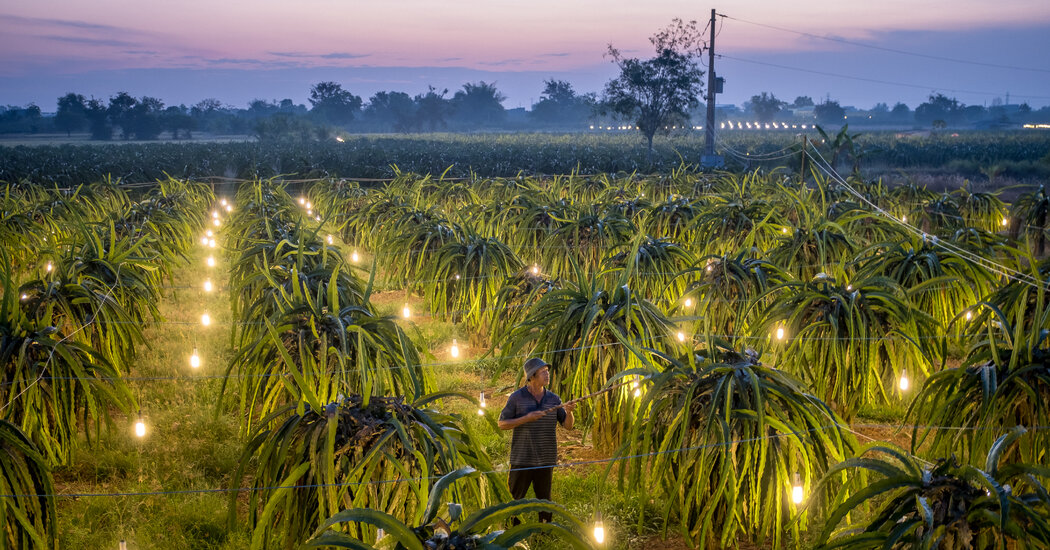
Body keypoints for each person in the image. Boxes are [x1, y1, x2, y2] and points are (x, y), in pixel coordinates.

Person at [497, 357, 575, 523]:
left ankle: (544, 531)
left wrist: (569, 412)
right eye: (543, 372)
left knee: (545, 501)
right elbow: (502, 423)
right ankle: (513, 533)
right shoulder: (516, 398)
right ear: (532, 376)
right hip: (522, 459)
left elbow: (567, 426)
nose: (548, 375)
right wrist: (526, 418)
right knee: (515, 500)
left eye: (547, 371)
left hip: (545, 459)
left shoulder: (554, 399)